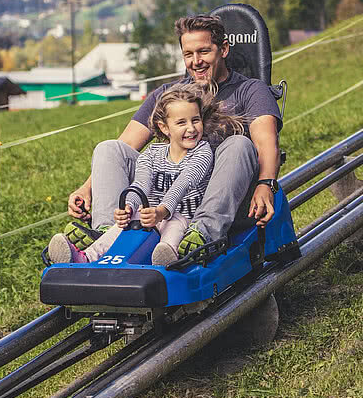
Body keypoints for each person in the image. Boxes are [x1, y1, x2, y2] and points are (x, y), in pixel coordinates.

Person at [65, 14, 282, 256]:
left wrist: (266, 184)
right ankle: (106, 234)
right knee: (109, 148)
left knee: (239, 144)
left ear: (223, 49)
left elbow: (266, 142)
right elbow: (127, 143)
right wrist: (87, 188)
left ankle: (202, 234)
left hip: (224, 197)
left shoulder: (250, 90)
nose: (196, 61)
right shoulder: (169, 95)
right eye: (188, 54)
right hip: (167, 199)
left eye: (204, 52)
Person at [48, 83, 245, 266]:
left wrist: (161, 212)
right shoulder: (152, 154)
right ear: (164, 127)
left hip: (183, 218)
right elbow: (141, 184)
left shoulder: (202, 152)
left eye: (195, 120)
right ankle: (85, 257)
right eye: (181, 123)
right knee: (121, 227)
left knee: (174, 226)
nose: (191, 128)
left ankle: (168, 257)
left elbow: (183, 183)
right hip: (150, 216)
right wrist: (127, 207)